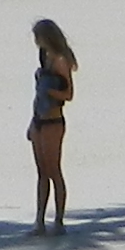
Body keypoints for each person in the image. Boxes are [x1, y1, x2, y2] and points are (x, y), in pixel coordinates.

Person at [26, 17, 79, 235]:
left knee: (54, 170)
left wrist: (50, 92)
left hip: (53, 122)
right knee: (41, 172)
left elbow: (68, 94)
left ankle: (58, 220)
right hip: (39, 119)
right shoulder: (44, 57)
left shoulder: (59, 60)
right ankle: (39, 220)